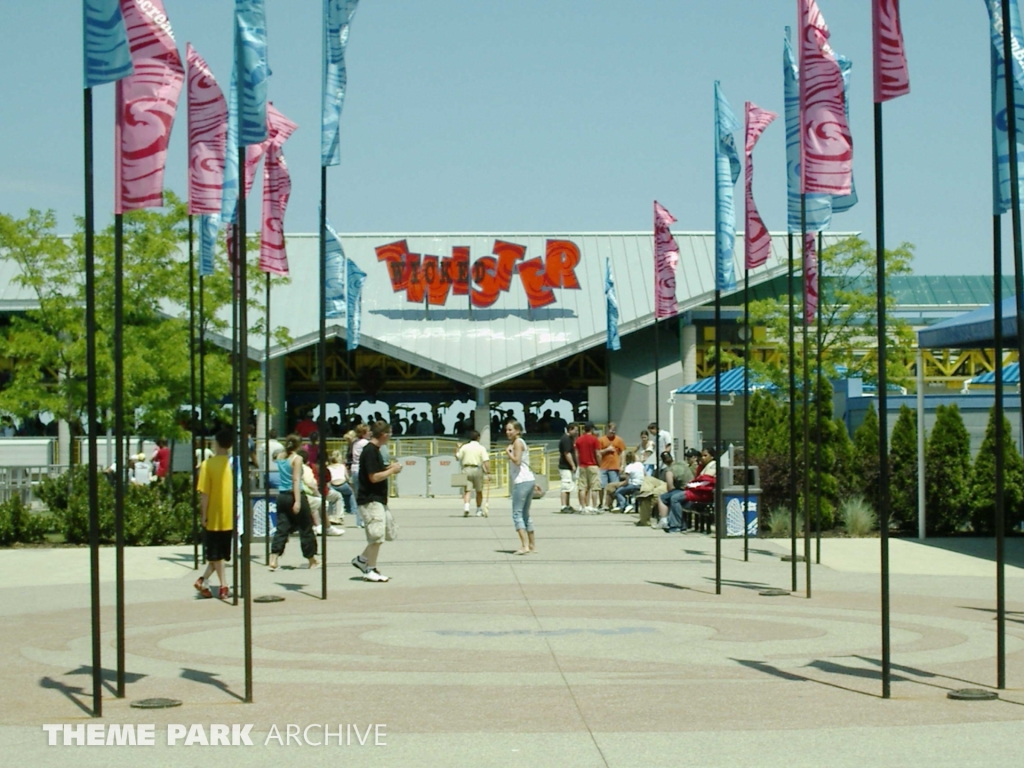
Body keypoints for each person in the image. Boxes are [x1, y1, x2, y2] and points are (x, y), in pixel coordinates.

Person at [352, 421, 403, 582]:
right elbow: (373, 477)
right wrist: (392, 471)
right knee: (376, 536)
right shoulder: (370, 451)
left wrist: (389, 468)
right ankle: (370, 569)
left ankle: (362, 559)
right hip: (370, 500)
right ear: (384, 435)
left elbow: (377, 471)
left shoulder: (375, 451)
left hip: (379, 499)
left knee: (389, 531)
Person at [194, 428, 235, 599]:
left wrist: (203, 514)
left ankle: (203, 580)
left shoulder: (207, 465)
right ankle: (223, 585)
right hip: (230, 514)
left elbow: (205, 493)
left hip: (214, 514)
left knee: (216, 553)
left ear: (216, 443)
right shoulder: (234, 464)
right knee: (221, 554)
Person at [269, 434, 318, 571]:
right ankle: (311, 559)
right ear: (299, 445)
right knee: (305, 527)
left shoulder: (280, 457)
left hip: (282, 495)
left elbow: (276, 458)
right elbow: (296, 480)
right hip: (295, 494)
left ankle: (274, 557)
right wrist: (297, 501)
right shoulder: (297, 459)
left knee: (282, 527)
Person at [505, 420, 536, 555]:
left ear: (517, 431)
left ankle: (524, 545)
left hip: (521, 481)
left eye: (511, 430)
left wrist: (508, 453)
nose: (508, 432)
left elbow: (517, 461)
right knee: (525, 514)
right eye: (507, 430)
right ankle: (532, 544)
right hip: (528, 479)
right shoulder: (520, 443)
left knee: (517, 513)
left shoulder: (517, 442)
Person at [299, 449, 343, 536]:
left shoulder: (311, 466)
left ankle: (319, 524)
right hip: (319, 492)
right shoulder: (322, 469)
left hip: (307, 492)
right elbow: (326, 484)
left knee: (317, 504)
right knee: (337, 496)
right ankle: (336, 518)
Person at [657, 450, 696, 532]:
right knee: (673, 498)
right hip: (692, 488)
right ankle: (679, 524)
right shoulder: (683, 464)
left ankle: (665, 521)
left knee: (663, 498)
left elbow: (670, 487)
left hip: (684, 491)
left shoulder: (669, 470)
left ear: (663, 461)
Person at [456, 430, 491, 517]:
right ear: (478, 438)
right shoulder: (481, 448)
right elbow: (485, 461)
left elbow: (457, 457)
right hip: (477, 469)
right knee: (479, 491)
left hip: (466, 469)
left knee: (467, 490)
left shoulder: (464, 447)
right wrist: (488, 472)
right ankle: (478, 510)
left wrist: (457, 448)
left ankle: (466, 507)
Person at [596, 422, 625, 507]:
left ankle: (612, 504)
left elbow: (623, 452)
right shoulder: (601, 440)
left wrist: (622, 464)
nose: (613, 432)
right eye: (611, 430)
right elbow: (598, 452)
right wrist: (607, 450)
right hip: (603, 466)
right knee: (601, 486)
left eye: (614, 430)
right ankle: (601, 503)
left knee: (614, 486)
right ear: (607, 429)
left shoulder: (619, 440)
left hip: (614, 466)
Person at [574, 421, 601, 513]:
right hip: (593, 465)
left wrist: (579, 464)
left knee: (582, 487)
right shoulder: (594, 439)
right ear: (592, 429)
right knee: (594, 487)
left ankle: (583, 507)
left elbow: (577, 454)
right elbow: (597, 454)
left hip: (582, 465)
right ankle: (594, 507)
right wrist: (599, 464)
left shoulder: (579, 440)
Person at [350, 423, 370, 528]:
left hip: (354, 469)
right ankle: (365, 519)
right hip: (362, 470)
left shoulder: (355, 443)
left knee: (357, 496)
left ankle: (359, 520)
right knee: (365, 496)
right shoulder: (365, 443)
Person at [327, 449, 356, 521]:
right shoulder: (342, 466)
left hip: (333, 484)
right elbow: (347, 477)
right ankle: (353, 509)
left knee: (333, 498)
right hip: (342, 484)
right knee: (350, 493)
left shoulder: (329, 467)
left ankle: (332, 514)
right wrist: (350, 482)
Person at [556, 423, 579, 513]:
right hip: (565, 466)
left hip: (568, 467)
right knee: (565, 486)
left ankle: (568, 504)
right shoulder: (565, 439)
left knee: (569, 487)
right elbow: (567, 453)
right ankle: (563, 505)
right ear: (570, 430)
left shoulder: (570, 439)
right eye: (575, 430)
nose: (577, 432)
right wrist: (573, 465)